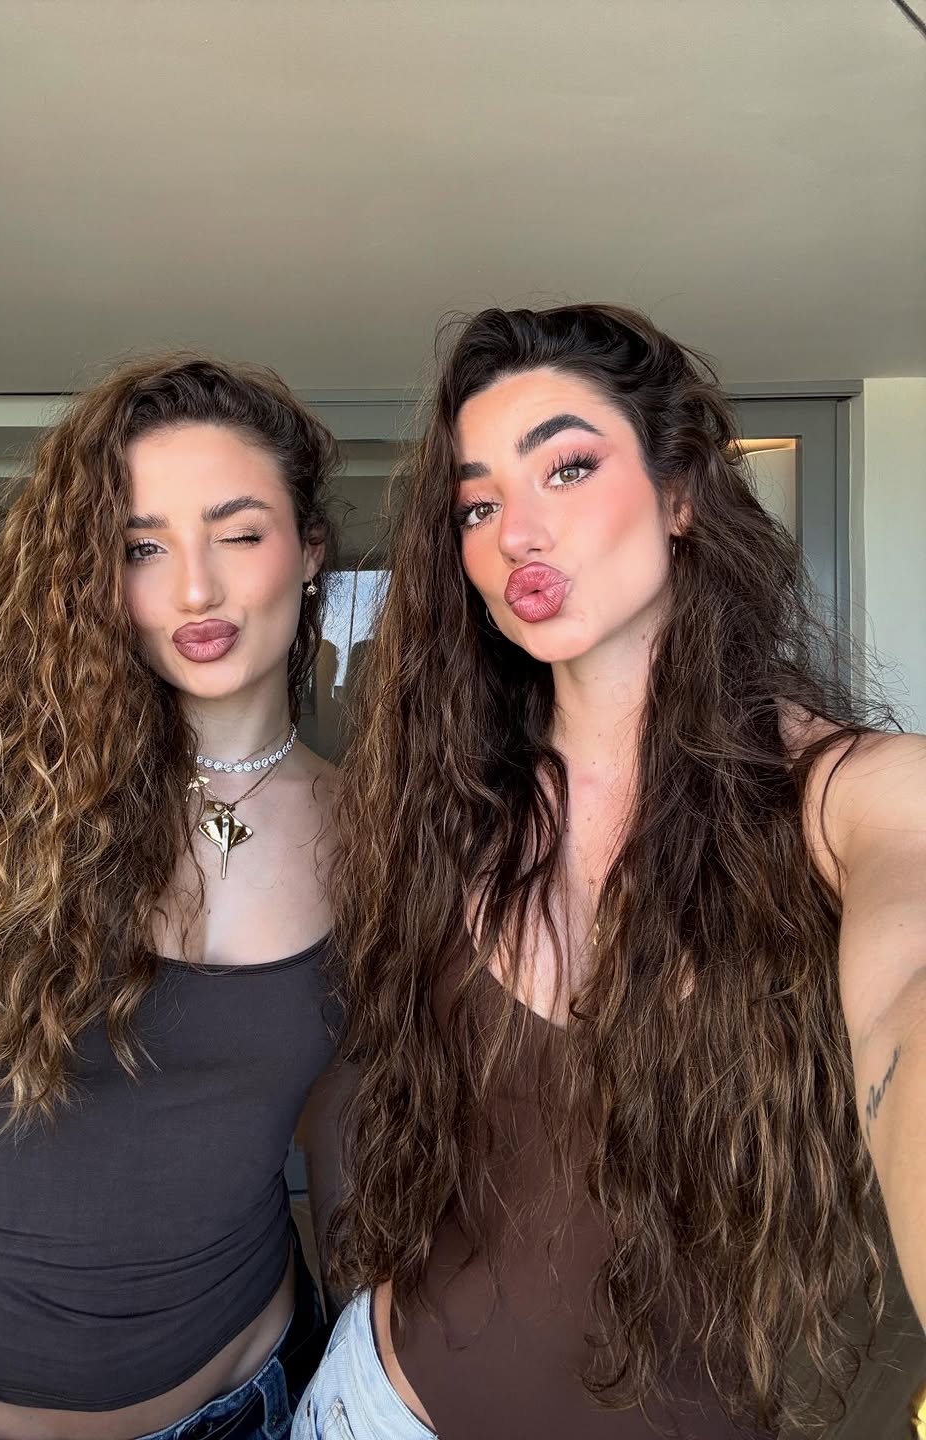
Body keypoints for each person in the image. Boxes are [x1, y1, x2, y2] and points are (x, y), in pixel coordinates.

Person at [295, 304, 926, 1439]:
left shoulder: (855, 798)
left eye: (569, 468)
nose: (516, 534)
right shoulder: (452, 804)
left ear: (681, 493)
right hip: (383, 1409)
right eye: (478, 505)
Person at [0, 354, 342, 1440]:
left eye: (238, 533)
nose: (195, 590)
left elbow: (350, 1132)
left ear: (310, 549)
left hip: (268, 1394)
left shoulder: (369, 832)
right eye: (142, 547)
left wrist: (363, 1366)